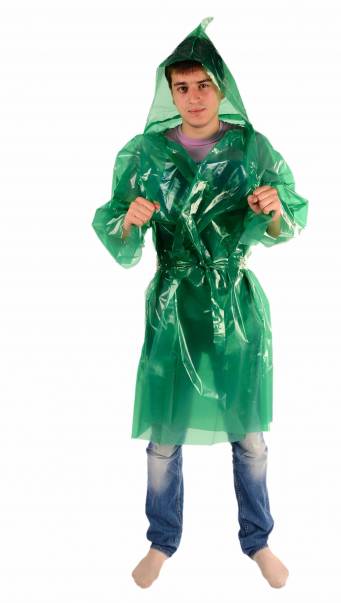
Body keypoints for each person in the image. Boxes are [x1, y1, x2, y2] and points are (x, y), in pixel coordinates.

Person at [91, 17, 308, 590]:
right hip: (175, 306)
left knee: (250, 434)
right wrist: (129, 219)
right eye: (181, 87)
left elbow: (287, 221)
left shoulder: (251, 150)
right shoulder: (145, 154)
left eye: (203, 85)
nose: (192, 97)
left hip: (234, 305)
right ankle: (161, 541)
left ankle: (258, 540)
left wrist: (272, 210)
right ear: (169, 91)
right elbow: (116, 230)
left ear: (221, 87)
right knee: (164, 435)